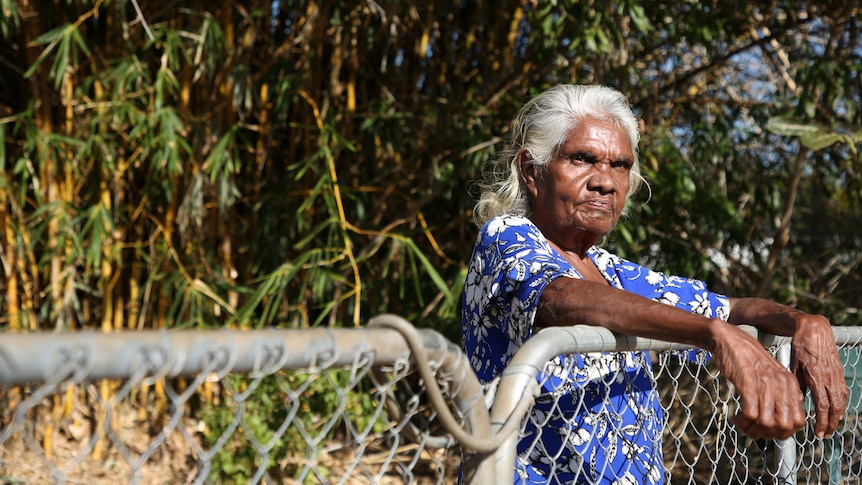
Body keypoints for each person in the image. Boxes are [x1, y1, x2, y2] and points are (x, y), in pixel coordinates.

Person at [461, 84, 849, 484]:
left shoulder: (613, 273)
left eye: (620, 165)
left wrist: (808, 322)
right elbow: (558, 297)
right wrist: (717, 335)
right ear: (531, 170)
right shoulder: (506, 236)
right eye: (582, 159)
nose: (605, 181)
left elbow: (732, 308)